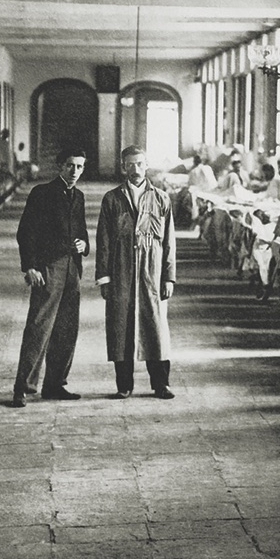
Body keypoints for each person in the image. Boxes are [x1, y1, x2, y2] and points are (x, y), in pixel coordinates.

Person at [7, 147, 89, 407]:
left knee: (67, 328)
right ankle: (23, 387)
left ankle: (55, 384)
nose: (74, 171)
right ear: (59, 166)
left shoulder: (78, 196)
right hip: (48, 267)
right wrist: (30, 267)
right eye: (70, 165)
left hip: (72, 269)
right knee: (39, 327)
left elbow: (82, 231)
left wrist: (84, 245)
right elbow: (26, 232)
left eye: (79, 166)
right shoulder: (41, 193)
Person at [96, 146, 178, 400]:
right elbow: (103, 241)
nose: (135, 169)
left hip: (152, 273)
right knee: (121, 327)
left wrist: (169, 277)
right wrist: (104, 278)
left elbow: (169, 242)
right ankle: (124, 385)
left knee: (155, 327)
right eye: (130, 164)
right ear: (123, 167)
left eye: (140, 164)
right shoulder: (112, 199)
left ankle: (161, 384)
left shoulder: (161, 199)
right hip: (121, 272)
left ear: (147, 165)